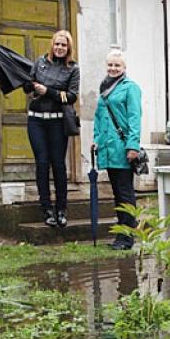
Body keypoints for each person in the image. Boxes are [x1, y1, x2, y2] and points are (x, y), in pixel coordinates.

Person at [25, 30, 80, 227]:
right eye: (57, 44)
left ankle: (62, 209)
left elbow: (71, 96)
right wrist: (29, 86)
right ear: (52, 45)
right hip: (36, 121)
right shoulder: (40, 63)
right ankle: (46, 208)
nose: (59, 48)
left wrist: (47, 91)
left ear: (68, 48)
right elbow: (28, 86)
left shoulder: (72, 69)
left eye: (63, 45)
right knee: (42, 163)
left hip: (58, 122)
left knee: (58, 164)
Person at [93, 50, 142, 250]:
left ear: (124, 68)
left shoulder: (131, 88)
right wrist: (96, 140)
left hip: (122, 149)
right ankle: (121, 234)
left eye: (117, 66)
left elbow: (134, 118)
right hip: (108, 149)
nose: (113, 69)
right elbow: (98, 118)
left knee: (125, 193)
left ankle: (127, 237)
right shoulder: (105, 87)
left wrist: (133, 146)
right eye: (110, 65)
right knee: (117, 194)